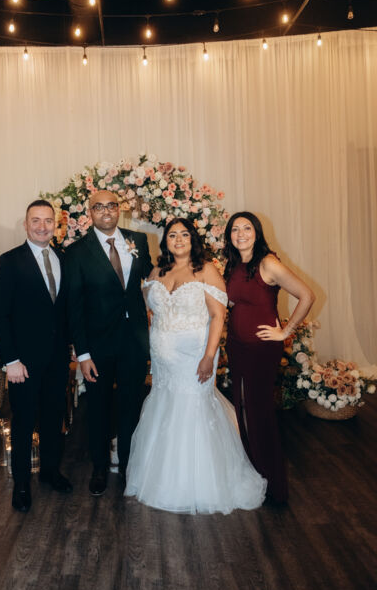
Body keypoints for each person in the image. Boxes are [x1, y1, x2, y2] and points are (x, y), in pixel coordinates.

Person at [125, 217, 267, 514]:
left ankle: (197, 484)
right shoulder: (157, 271)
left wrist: (208, 356)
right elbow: (149, 309)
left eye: (184, 234)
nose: (178, 240)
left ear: (193, 240)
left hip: (195, 357)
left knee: (193, 408)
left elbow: (218, 316)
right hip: (163, 360)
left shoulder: (206, 270)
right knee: (164, 407)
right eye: (172, 235)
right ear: (165, 241)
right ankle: (161, 478)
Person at [65, 190, 153, 496]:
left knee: (131, 405)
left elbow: (150, 279)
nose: (106, 211)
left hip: (134, 341)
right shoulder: (76, 252)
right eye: (98, 207)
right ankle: (99, 468)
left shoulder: (138, 240)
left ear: (119, 209)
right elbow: (74, 307)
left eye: (111, 205)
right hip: (97, 345)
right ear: (90, 212)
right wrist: (83, 354)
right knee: (99, 408)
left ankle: (128, 466)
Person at [223, 212, 315, 504]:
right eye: (235, 229)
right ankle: (253, 470)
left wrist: (285, 331)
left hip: (261, 350)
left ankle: (273, 484)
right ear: (229, 235)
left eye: (246, 228)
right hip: (236, 346)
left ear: (257, 232)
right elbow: (233, 301)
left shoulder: (268, 263)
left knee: (259, 412)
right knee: (242, 408)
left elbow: (307, 295)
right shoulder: (233, 264)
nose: (240, 234)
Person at [0, 199, 71, 513]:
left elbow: (64, 310)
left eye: (48, 220)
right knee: (24, 422)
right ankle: (22, 484)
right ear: (25, 225)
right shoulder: (9, 261)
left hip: (57, 359)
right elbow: (0, 314)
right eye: (35, 220)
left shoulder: (63, 258)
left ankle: (50, 472)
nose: (42, 226)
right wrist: (10, 360)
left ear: (56, 225)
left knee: (53, 419)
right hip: (22, 363)